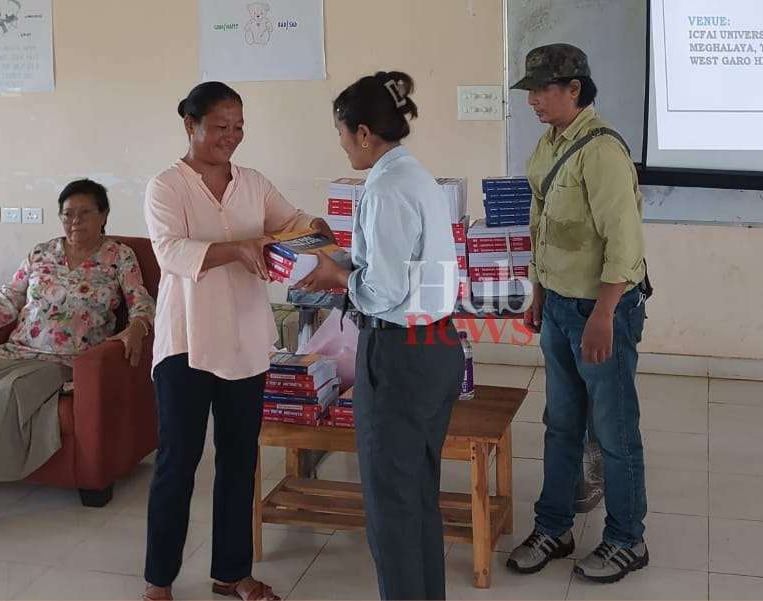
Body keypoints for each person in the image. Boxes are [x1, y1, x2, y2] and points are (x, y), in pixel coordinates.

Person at [142, 81, 332, 601]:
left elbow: (287, 222)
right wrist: (238, 248)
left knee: (239, 461)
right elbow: (170, 251)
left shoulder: (252, 182)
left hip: (246, 340)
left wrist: (312, 227)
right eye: (220, 127)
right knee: (177, 463)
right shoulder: (167, 186)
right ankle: (159, 580)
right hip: (187, 342)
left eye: (238, 127)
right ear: (190, 125)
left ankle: (232, 573)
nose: (231, 137)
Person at [294, 71, 464, 600]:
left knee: (390, 504)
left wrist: (334, 276)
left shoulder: (385, 188)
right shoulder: (415, 176)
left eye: (342, 133)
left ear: (364, 132)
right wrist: (345, 260)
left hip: (398, 355)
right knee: (417, 493)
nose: (342, 144)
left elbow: (384, 289)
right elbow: (407, 270)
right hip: (436, 345)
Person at [0, 179, 155, 533]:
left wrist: (137, 327)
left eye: (85, 213)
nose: (75, 221)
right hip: (18, 348)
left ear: (103, 216)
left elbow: (140, 301)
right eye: (68, 214)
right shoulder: (42, 253)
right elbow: (9, 299)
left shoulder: (118, 256)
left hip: (69, 359)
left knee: (9, 392)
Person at [506, 43, 651, 584]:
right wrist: (539, 291)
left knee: (614, 430)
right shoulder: (548, 147)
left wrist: (605, 314)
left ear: (575, 89)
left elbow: (625, 242)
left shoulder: (602, 150)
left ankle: (626, 539)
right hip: (561, 305)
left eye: (545, 89)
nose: (535, 100)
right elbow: (543, 226)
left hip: (602, 309)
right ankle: (554, 526)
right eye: (531, 91)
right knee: (560, 423)